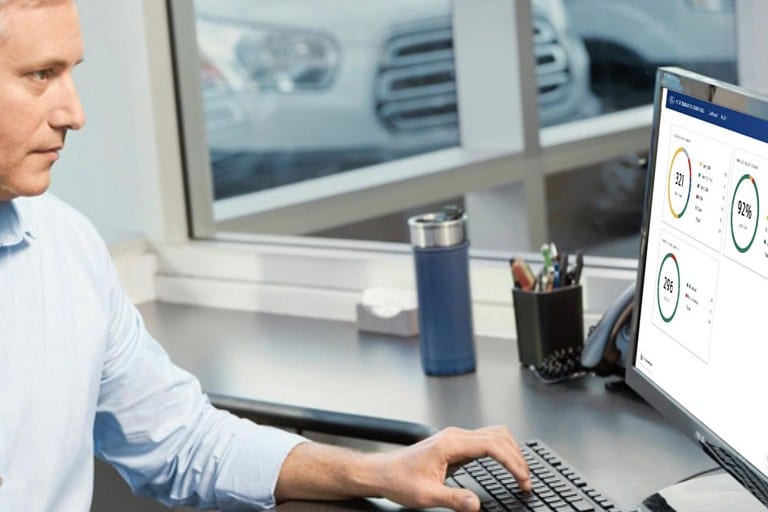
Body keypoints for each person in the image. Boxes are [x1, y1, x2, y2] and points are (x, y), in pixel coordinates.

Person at [0, 0, 532, 510]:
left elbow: (186, 442)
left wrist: (379, 472)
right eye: (41, 75)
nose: (75, 113)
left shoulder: (68, 248)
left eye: (72, 72)